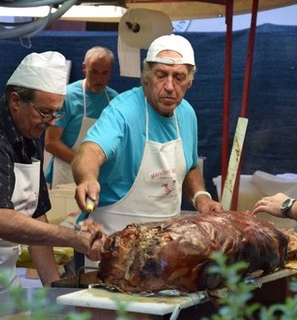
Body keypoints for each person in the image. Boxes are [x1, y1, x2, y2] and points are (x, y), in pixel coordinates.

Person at [71, 34, 222, 269]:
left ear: (190, 81)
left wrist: (200, 197)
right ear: (146, 77)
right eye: (161, 75)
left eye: (179, 77)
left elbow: (190, 164)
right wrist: (88, 179)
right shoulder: (123, 111)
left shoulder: (187, 114)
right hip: (109, 247)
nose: (170, 87)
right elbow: (90, 150)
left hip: (165, 252)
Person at [0, 51, 105, 298]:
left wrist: (55, 293)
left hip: (2, 282)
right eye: (45, 112)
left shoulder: (31, 131)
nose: (51, 122)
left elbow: (36, 217)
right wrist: (73, 238)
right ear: (16, 101)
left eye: (56, 113)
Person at [45, 46, 118, 188]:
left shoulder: (115, 101)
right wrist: (84, 164)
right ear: (84, 68)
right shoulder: (67, 97)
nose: (99, 78)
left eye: (105, 73)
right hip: (66, 171)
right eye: (94, 72)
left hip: (100, 174)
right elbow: (51, 143)